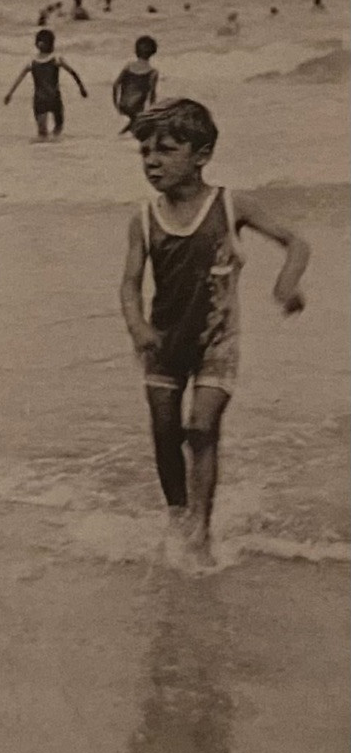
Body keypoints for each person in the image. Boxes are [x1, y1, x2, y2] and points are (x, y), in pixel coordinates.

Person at [118, 99, 309, 567]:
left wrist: (286, 284)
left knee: (201, 428)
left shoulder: (229, 205)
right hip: (163, 344)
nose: (152, 161)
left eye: (165, 150)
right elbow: (129, 283)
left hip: (216, 344)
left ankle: (201, 530)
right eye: (144, 152)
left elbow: (295, 242)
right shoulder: (144, 219)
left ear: (201, 155)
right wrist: (138, 326)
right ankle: (178, 514)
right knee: (165, 434)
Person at [3, 28, 87, 139]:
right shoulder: (55, 59)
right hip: (53, 98)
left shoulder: (34, 62)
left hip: (41, 99)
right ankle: (53, 148)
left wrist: (10, 94)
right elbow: (73, 73)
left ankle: (46, 150)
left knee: (43, 132)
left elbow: (19, 78)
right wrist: (81, 88)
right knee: (58, 127)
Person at [113, 35, 161, 133]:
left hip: (124, 104)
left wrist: (116, 104)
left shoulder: (128, 66)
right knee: (139, 123)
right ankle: (121, 136)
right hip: (137, 108)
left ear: (135, 51)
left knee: (135, 122)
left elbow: (115, 85)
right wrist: (152, 111)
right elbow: (152, 94)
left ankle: (120, 136)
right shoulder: (153, 72)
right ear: (153, 52)